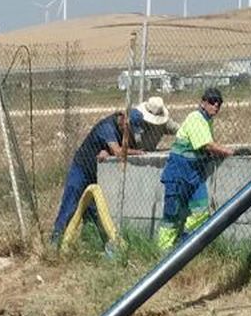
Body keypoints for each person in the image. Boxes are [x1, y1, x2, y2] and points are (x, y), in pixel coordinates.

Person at [50, 96, 170, 247]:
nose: (131, 133)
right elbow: (118, 151)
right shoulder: (107, 127)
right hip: (81, 170)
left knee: (94, 213)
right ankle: (55, 241)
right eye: (130, 129)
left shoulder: (123, 130)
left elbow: (114, 150)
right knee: (70, 205)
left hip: (97, 175)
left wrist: (108, 152)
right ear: (123, 121)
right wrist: (134, 152)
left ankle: (92, 242)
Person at [157, 89, 235, 248]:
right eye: (212, 102)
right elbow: (206, 144)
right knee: (172, 213)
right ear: (203, 102)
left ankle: (185, 245)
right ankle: (163, 250)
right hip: (178, 172)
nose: (216, 105)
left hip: (194, 174)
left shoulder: (206, 121)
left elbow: (204, 147)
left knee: (201, 210)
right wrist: (230, 152)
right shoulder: (196, 118)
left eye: (219, 103)